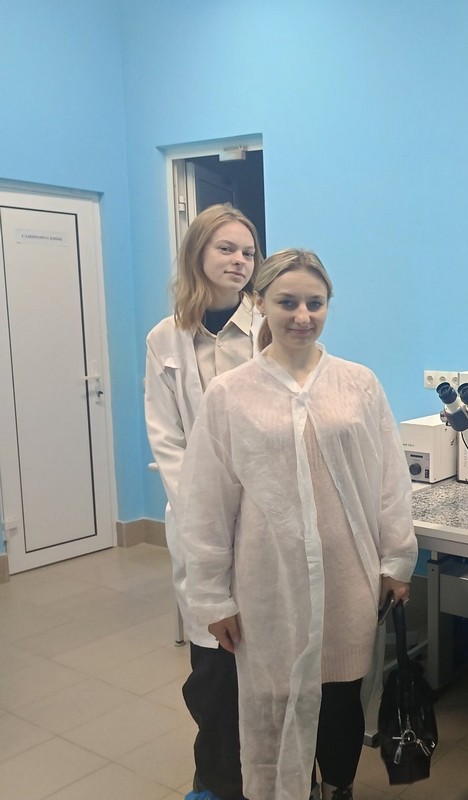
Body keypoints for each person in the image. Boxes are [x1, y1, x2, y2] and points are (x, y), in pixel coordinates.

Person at [177, 249, 418, 800]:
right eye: (287, 302)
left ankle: (338, 787)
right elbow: (207, 503)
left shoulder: (358, 384)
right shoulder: (230, 393)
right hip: (268, 583)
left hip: (347, 576)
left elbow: (390, 478)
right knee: (276, 696)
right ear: (259, 303)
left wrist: (397, 559)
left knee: (341, 696)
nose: (303, 316)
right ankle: (290, 787)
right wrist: (211, 596)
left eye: (315, 303)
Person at [145, 203, 263, 800]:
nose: (240, 260)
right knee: (213, 663)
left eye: (248, 251)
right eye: (226, 248)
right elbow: (165, 436)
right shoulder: (165, 337)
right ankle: (216, 780)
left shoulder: (271, 323)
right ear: (198, 253)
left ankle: (279, 773)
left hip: (265, 515)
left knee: (267, 655)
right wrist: (201, 509)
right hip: (198, 518)